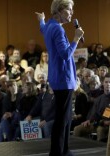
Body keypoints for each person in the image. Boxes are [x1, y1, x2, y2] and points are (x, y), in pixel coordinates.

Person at [35, 0, 84, 155]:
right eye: (69, 9)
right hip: (64, 78)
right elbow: (65, 54)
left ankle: (65, 150)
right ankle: (57, 152)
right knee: (62, 120)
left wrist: (41, 19)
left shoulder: (49, 25)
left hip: (58, 78)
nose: (71, 13)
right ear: (59, 11)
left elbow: (42, 29)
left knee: (66, 117)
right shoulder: (58, 29)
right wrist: (76, 38)